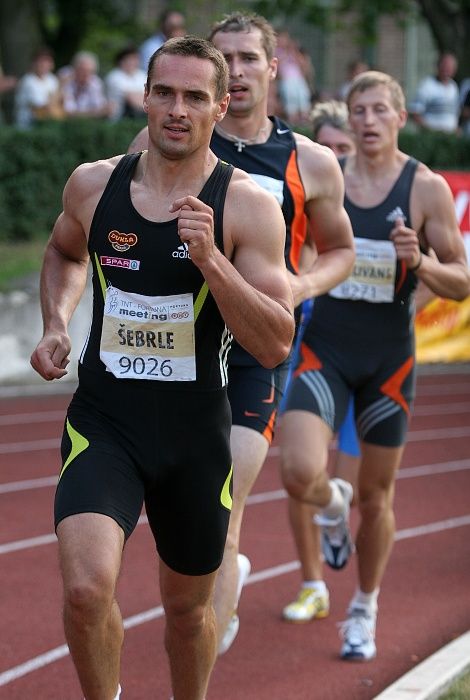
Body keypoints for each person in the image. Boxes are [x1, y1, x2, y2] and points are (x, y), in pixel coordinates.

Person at [30, 35, 295, 700]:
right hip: (105, 423)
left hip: (196, 436)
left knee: (186, 614)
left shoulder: (248, 206)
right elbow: (64, 253)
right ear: (144, 98)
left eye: (195, 97)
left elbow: (275, 343)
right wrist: (57, 324)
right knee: (87, 589)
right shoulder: (94, 185)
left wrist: (212, 261)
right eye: (165, 93)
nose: (178, 109)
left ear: (220, 106)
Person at [129, 12, 355, 656]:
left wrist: (299, 287)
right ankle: (226, 580)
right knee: (174, 500)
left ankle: (207, 632)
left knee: (223, 497)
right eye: (227, 57)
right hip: (181, 348)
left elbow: (338, 247)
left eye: (250, 57)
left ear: (271, 67)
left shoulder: (309, 160)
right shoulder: (173, 145)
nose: (241, 68)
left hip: (257, 350)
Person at [279, 70, 470, 661]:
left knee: (379, 499)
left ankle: (364, 608)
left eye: (378, 110)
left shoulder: (425, 188)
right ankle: (333, 510)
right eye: (358, 110)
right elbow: (302, 252)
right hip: (325, 349)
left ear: (401, 117)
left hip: (388, 359)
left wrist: (421, 265)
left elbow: (460, 282)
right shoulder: (325, 178)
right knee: (298, 472)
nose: (366, 121)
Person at [408, 52, 460, 133]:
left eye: (450, 67)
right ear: (438, 66)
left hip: (450, 137)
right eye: (444, 66)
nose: (447, 70)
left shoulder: (453, 87)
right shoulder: (427, 85)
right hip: (432, 138)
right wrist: (430, 131)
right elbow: (415, 112)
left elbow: (454, 113)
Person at [14, 47, 62, 128]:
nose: (43, 64)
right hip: (27, 128)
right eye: (40, 61)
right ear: (33, 63)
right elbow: (40, 109)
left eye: (47, 61)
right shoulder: (28, 81)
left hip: (46, 125)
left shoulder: (52, 80)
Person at [61, 51, 110, 119]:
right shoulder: (66, 79)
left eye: (90, 71)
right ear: (75, 69)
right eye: (83, 70)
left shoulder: (95, 82)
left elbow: (99, 105)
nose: (86, 75)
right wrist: (95, 113)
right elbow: (68, 113)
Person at [105, 45, 147, 121]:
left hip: (140, 116)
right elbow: (131, 99)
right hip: (118, 120)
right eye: (129, 59)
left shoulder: (142, 75)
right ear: (121, 61)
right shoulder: (114, 76)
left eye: (135, 58)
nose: (132, 62)